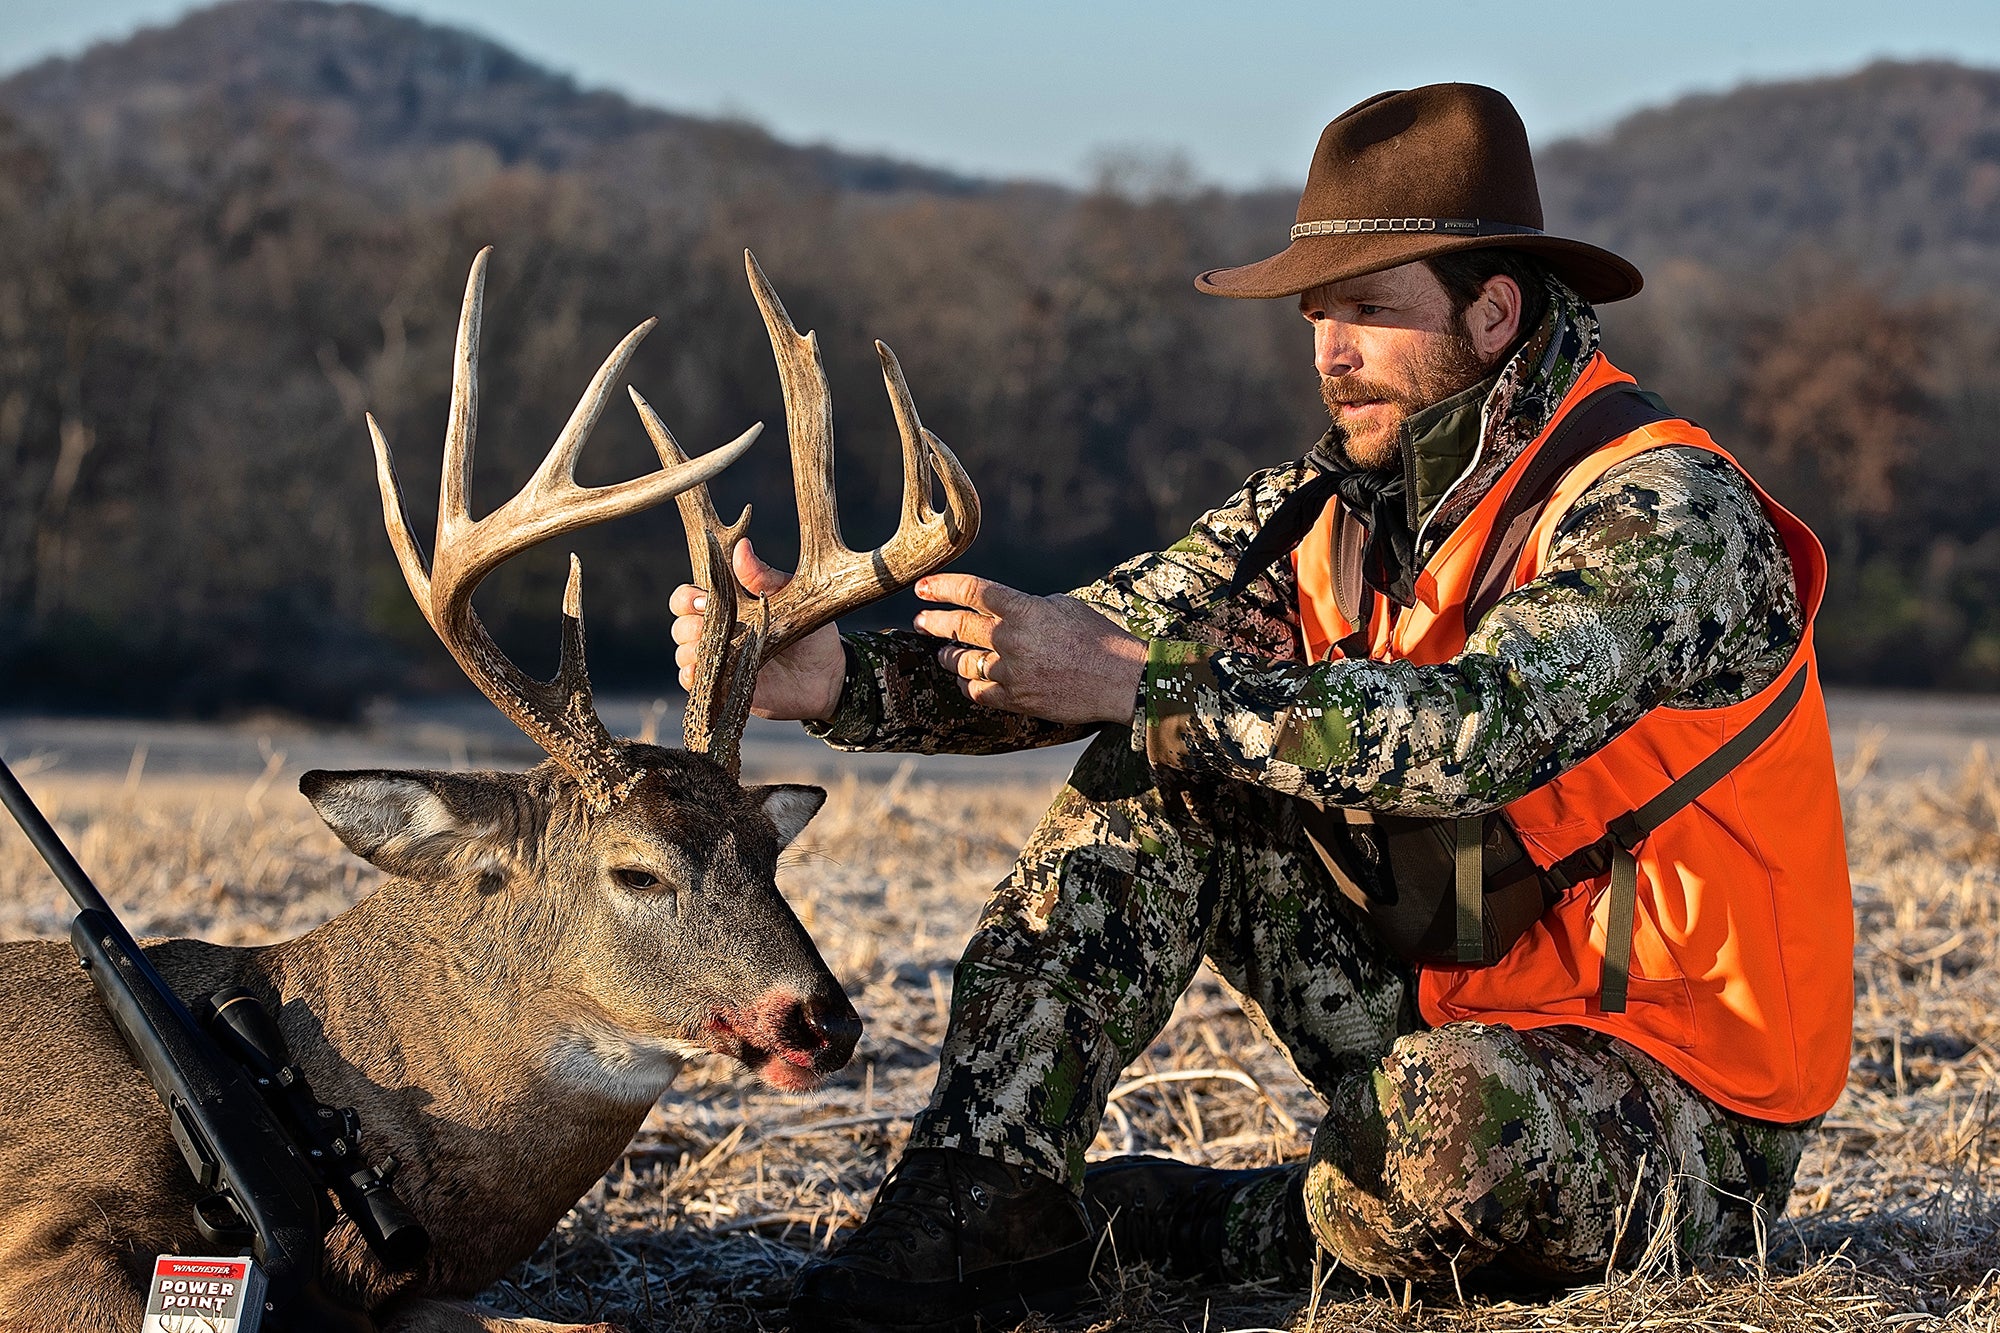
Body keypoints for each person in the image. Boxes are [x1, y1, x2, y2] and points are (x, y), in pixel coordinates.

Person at [670, 83, 1854, 1332]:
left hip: (1679, 1104)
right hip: (1443, 1006)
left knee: (1445, 1119)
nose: (1326, 353)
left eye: (1369, 312)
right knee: (1163, 752)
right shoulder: (1324, 502)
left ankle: (1217, 1222)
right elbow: (1072, 654)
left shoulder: (1667, 511)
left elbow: (1475, 731)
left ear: (1493, 312)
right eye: (1315, 314)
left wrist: (1138, 679)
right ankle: (985, 1191)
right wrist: (840, 681)